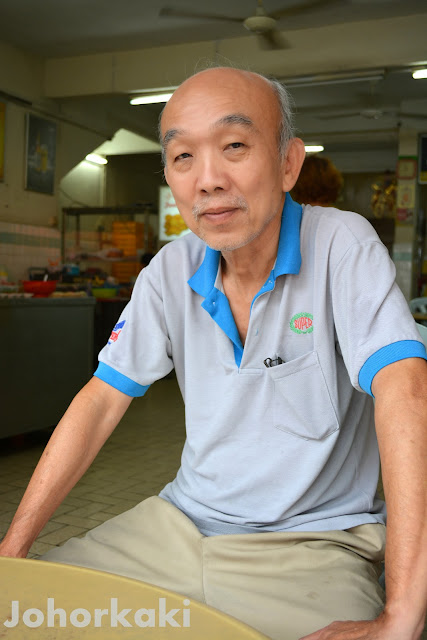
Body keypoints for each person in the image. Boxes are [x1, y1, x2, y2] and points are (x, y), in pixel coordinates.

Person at [1, 67, 426, 640]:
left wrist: (401, 614)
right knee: (23, 614)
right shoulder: (169, 270)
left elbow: (406, 390)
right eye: (182, 157)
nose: (208, 180)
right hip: (175, 526)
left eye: (234, 146)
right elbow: (101, 398)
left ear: (287, 164)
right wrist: (12, 550)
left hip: (312, 543)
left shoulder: (341, 244)